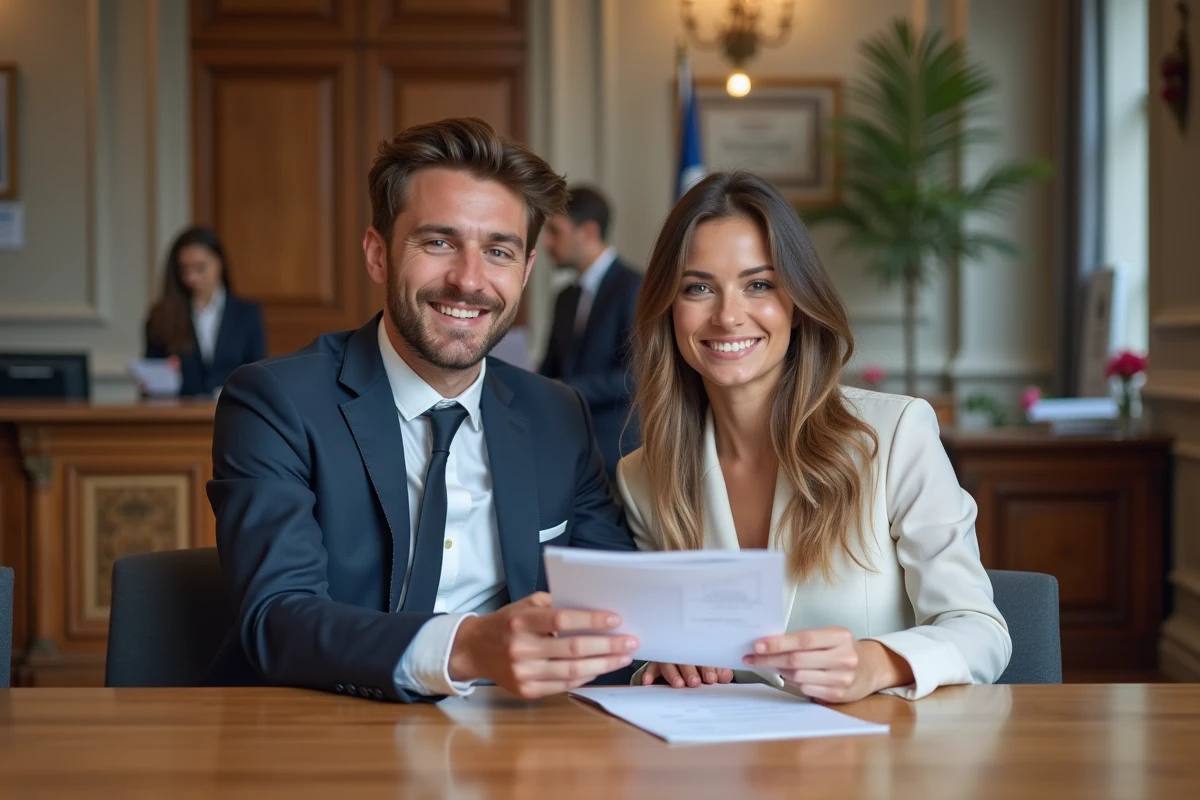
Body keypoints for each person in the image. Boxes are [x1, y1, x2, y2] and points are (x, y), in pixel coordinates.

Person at [205, 118, 639, 703]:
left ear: (528, 270)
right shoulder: (276, 402)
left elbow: (616, 605)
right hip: (319, 733)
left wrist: (675, 656)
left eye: (499, 251)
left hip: (517, 748)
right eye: (439, 243)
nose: (469, 280)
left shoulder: (556, 414)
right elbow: (278, 618)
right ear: (378, 254)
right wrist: (465, 647)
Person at [616, 171, 1010, 702]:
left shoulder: (893, 436)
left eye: (759, 285)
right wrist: (661, 666)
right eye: (699, 288)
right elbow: (657, 653)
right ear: (669, 307)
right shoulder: (642, 476)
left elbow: (981, 631)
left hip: (877, 768)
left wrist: (877, 663)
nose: (729, 315)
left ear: (798, 304)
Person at [539, 186, 641, 479]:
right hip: (563, 448)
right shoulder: (565, 297)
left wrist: (565, 388)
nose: (547, 243)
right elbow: (550, 368)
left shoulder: (634, 288)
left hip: (617, 455)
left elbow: (636, 375)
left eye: (555, 231)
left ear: (588, 232)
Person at [144, 226, 265, 397]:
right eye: (184, 269)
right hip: (179, 416)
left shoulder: (247, 314)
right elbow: (151, 379)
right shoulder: (161, 316)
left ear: (220, 263)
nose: (192, 277)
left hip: (233, 415)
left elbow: (258, 376)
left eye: (200, 268)